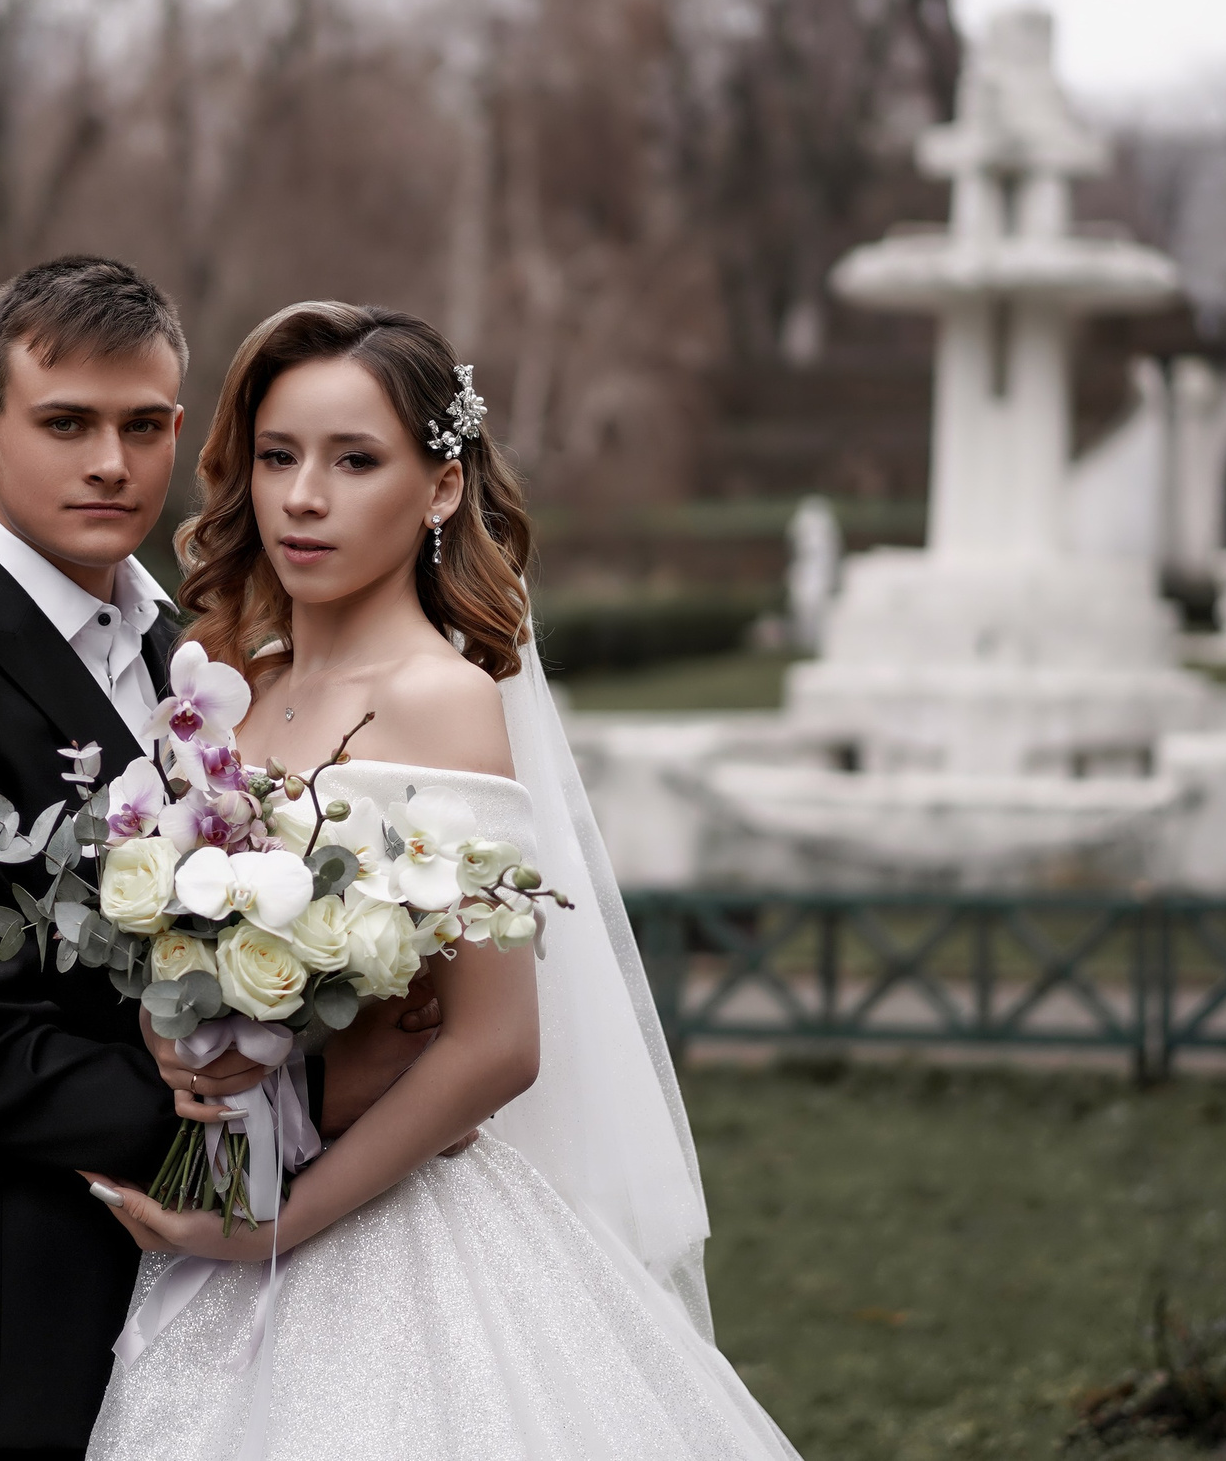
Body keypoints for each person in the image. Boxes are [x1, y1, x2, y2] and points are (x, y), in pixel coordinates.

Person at [81, 302, 803, 1461]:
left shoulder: (443, 697)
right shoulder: (230, 687)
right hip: (223, 1208)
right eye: (277, 456)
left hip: (382, 1236)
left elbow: (494, 1044)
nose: (302, 497)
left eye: (354, 460)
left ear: (440, 488)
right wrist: (181, 1028)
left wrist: (275, 1226)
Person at [0, 260, 442, 1461]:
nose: (111, 462)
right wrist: (303, 1122)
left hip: (238, 1310)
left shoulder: (202, 651)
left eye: (144, 425)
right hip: (17, 1311)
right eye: (68, 424)